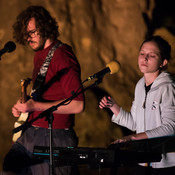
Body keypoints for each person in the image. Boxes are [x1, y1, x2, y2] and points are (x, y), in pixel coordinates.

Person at [2, 5, 84, 175]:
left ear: (46, 27)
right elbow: (43, 96)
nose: (28, 38)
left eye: (32, 32)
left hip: (54, 135)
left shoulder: (62, 55)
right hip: (32, 130)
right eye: (26, 33)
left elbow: (78, 105)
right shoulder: (40, 55)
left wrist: (34, 106)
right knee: (9, 167)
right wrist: (23, 106)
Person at [99, 35, 175, 175]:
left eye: (151, 55)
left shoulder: (168, 87)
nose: (144, 58)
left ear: (163, 62)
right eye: (142, 53)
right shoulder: (140, 85)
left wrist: (132, 137)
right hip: (143, 159)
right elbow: (135, 124)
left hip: (165, 163)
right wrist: (113, 106)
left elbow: (170, 128)